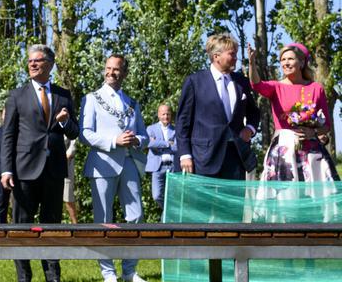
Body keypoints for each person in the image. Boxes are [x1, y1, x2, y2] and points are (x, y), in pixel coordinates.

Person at [0, 44, 79, 282]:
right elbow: (8, 136)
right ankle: (24, 279)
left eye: (38, 60)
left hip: (54, 168)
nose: (32, 64)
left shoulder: (63, 95)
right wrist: (6, 169)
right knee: (22, 225)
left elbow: (75, 132)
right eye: (30, 61)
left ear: (50, 64)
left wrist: (65, 122)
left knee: (52, 224)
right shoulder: (17, 96)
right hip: (24, 169)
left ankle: (53, 276)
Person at [80, 54, 150, 282]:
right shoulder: (92, 98)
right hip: (102, 163)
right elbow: (85, 133)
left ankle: (130, 271)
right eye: (108, 68)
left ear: (125, 73)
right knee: (104, 220)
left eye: (116, 69)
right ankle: (108, 273)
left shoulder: (132, 102)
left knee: (136, 216)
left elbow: (144, 135)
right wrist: (114, 141)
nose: (111, 72)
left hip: (129, 162)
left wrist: (136, 140)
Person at [248, 43, 338, 182]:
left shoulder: (316, 88)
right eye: (283, 60)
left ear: (301, 62)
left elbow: (326, 126)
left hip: (311, 153)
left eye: (290, 59)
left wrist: (313, 132)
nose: (286, 63)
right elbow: (256, 84)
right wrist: (252, 63)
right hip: (284, 151)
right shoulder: (276, 87)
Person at [176, 32, 260, 180]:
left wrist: (250, 129)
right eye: (232, 54)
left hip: (236, 158)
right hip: (203, 159)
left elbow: (253, 112)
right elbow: (183, 122)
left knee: (233, 197)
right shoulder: (194, 82)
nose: (236, 58)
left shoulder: (242, 81)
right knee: (203, 197)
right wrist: (185, 154)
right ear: (216, 56)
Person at [145, 104, 177, 210]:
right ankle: (168, 211)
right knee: (157, 195)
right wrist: (167, 143)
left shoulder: (176, 130)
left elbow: (177, 147)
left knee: (172, 197)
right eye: (163, 114)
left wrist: (158, 143)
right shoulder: (151, 129)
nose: (166, 116)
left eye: (168, 114)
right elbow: (150, 144)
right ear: (158, 115)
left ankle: (166, 217)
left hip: (173, 167)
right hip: (157, 167)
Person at [62, 137, 78, 224]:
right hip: (44, 161)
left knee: (68, 195)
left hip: (66, 161)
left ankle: (75, 226)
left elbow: (73, 141)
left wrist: (69, 154)